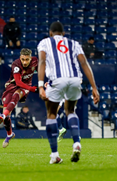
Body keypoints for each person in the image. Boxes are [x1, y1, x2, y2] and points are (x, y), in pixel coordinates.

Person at [37, 22, 100, 164]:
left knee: (51, 114)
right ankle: (76, 143)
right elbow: (84, 63)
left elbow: (42, 62)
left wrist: (41, 85)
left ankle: (55, 155)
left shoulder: (45, 42)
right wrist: (94, 87)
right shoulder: (74, 43)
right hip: (75, 79)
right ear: (63, 34)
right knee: (70, 110)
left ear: (51, 33)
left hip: (57, 79)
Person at [0, 48, 38, 148]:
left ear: (30, 58)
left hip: (25, 86)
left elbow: (42, 70)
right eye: (23, 59)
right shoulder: (16, 64)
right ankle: (9, 134)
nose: (24, 62)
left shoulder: (35, 61)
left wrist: (43, 83)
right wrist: (32, 89)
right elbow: (18, 82)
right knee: (8, 115)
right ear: (20, 57)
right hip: (13, 86)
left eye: (27, 59)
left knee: (16, 95)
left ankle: (3, 115)